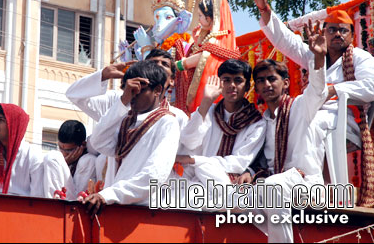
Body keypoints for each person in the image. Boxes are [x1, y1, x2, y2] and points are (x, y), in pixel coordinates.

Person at [247, 0, 374, 207]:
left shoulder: (360, 57)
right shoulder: (314, 54)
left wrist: (334, 90)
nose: (337, 34)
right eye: (332, 30)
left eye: (342, 31)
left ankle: (308, 185)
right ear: (324, 33)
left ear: (350, 35)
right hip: (314, 111)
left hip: (346, 118)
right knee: (292, 115)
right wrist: (264, 9)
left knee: (312, 121)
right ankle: (294, 179)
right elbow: (285, 40)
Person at [237, 20, 328, 243]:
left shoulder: (300, 106)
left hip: (306, 185)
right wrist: (250, 170)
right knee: (235, 197)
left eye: (272, 79)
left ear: (286, 83)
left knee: (271, 187)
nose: (267, 84)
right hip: (276, 184)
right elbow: (259, 159)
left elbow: (317, 89)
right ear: (256, 89)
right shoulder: (261, 123)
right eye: (261, 81)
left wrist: (318, 58)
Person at [81, 61, 180, 216]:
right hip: (117, 207)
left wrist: (108, 195)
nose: (132, 95)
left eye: (138, 90)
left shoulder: (167, 122)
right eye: (128, 89)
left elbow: (154, 176)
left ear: (158, 90)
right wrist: (122, 101)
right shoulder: (126, 121)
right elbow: (98, 141)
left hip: (144, 212)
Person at [174, 59, 265, 192]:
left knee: (203, 169)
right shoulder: (209, 111)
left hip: (226, 181)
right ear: (219, 83)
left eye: (238, 80)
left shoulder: (256, 122)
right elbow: (189, 141)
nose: (232, 85)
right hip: (195, 180)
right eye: (226, 80)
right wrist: (206, 102)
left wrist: (196, 161)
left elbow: (239, 162)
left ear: (247, 86)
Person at [174, 0, 240, 115]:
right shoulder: (214, 37)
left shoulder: (218, 39)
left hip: (211, 93)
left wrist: (176, 65)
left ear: (209, 18)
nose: (198, 19)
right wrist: (197, 40)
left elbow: (203, 58)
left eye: (200, 16)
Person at [0, 104, 46, 197]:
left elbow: (38, 198)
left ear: (13, 125)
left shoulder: (33, 157)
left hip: (23, 209)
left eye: (0, 120)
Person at [58, 120, 97, 195]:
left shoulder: (87, 161)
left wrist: (64, 165)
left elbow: (78, 195)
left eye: (69, 150)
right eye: (60, 148)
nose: (63, 154)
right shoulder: (65, 161)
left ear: (83, 145)